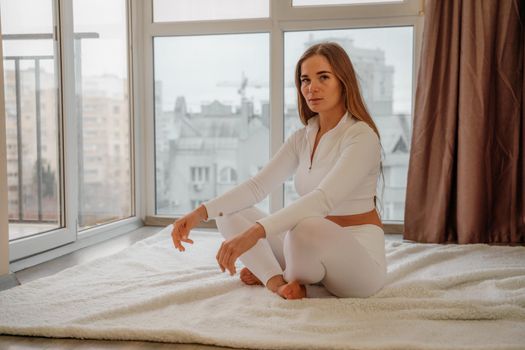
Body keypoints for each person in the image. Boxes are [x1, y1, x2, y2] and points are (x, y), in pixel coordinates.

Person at [171, 42, 386, 300]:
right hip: (305, 253)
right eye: (305, 80)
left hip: (357, 261)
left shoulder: (362, 136)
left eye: (323, 77)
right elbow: (257, 186)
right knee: (227, 215)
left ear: (343, 81)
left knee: (304, 228)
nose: (311, 87)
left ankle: (289, 277)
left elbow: (322, 200)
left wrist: (254, 235)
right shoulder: (302, 137)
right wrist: (198, 213)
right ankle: (277, 283)